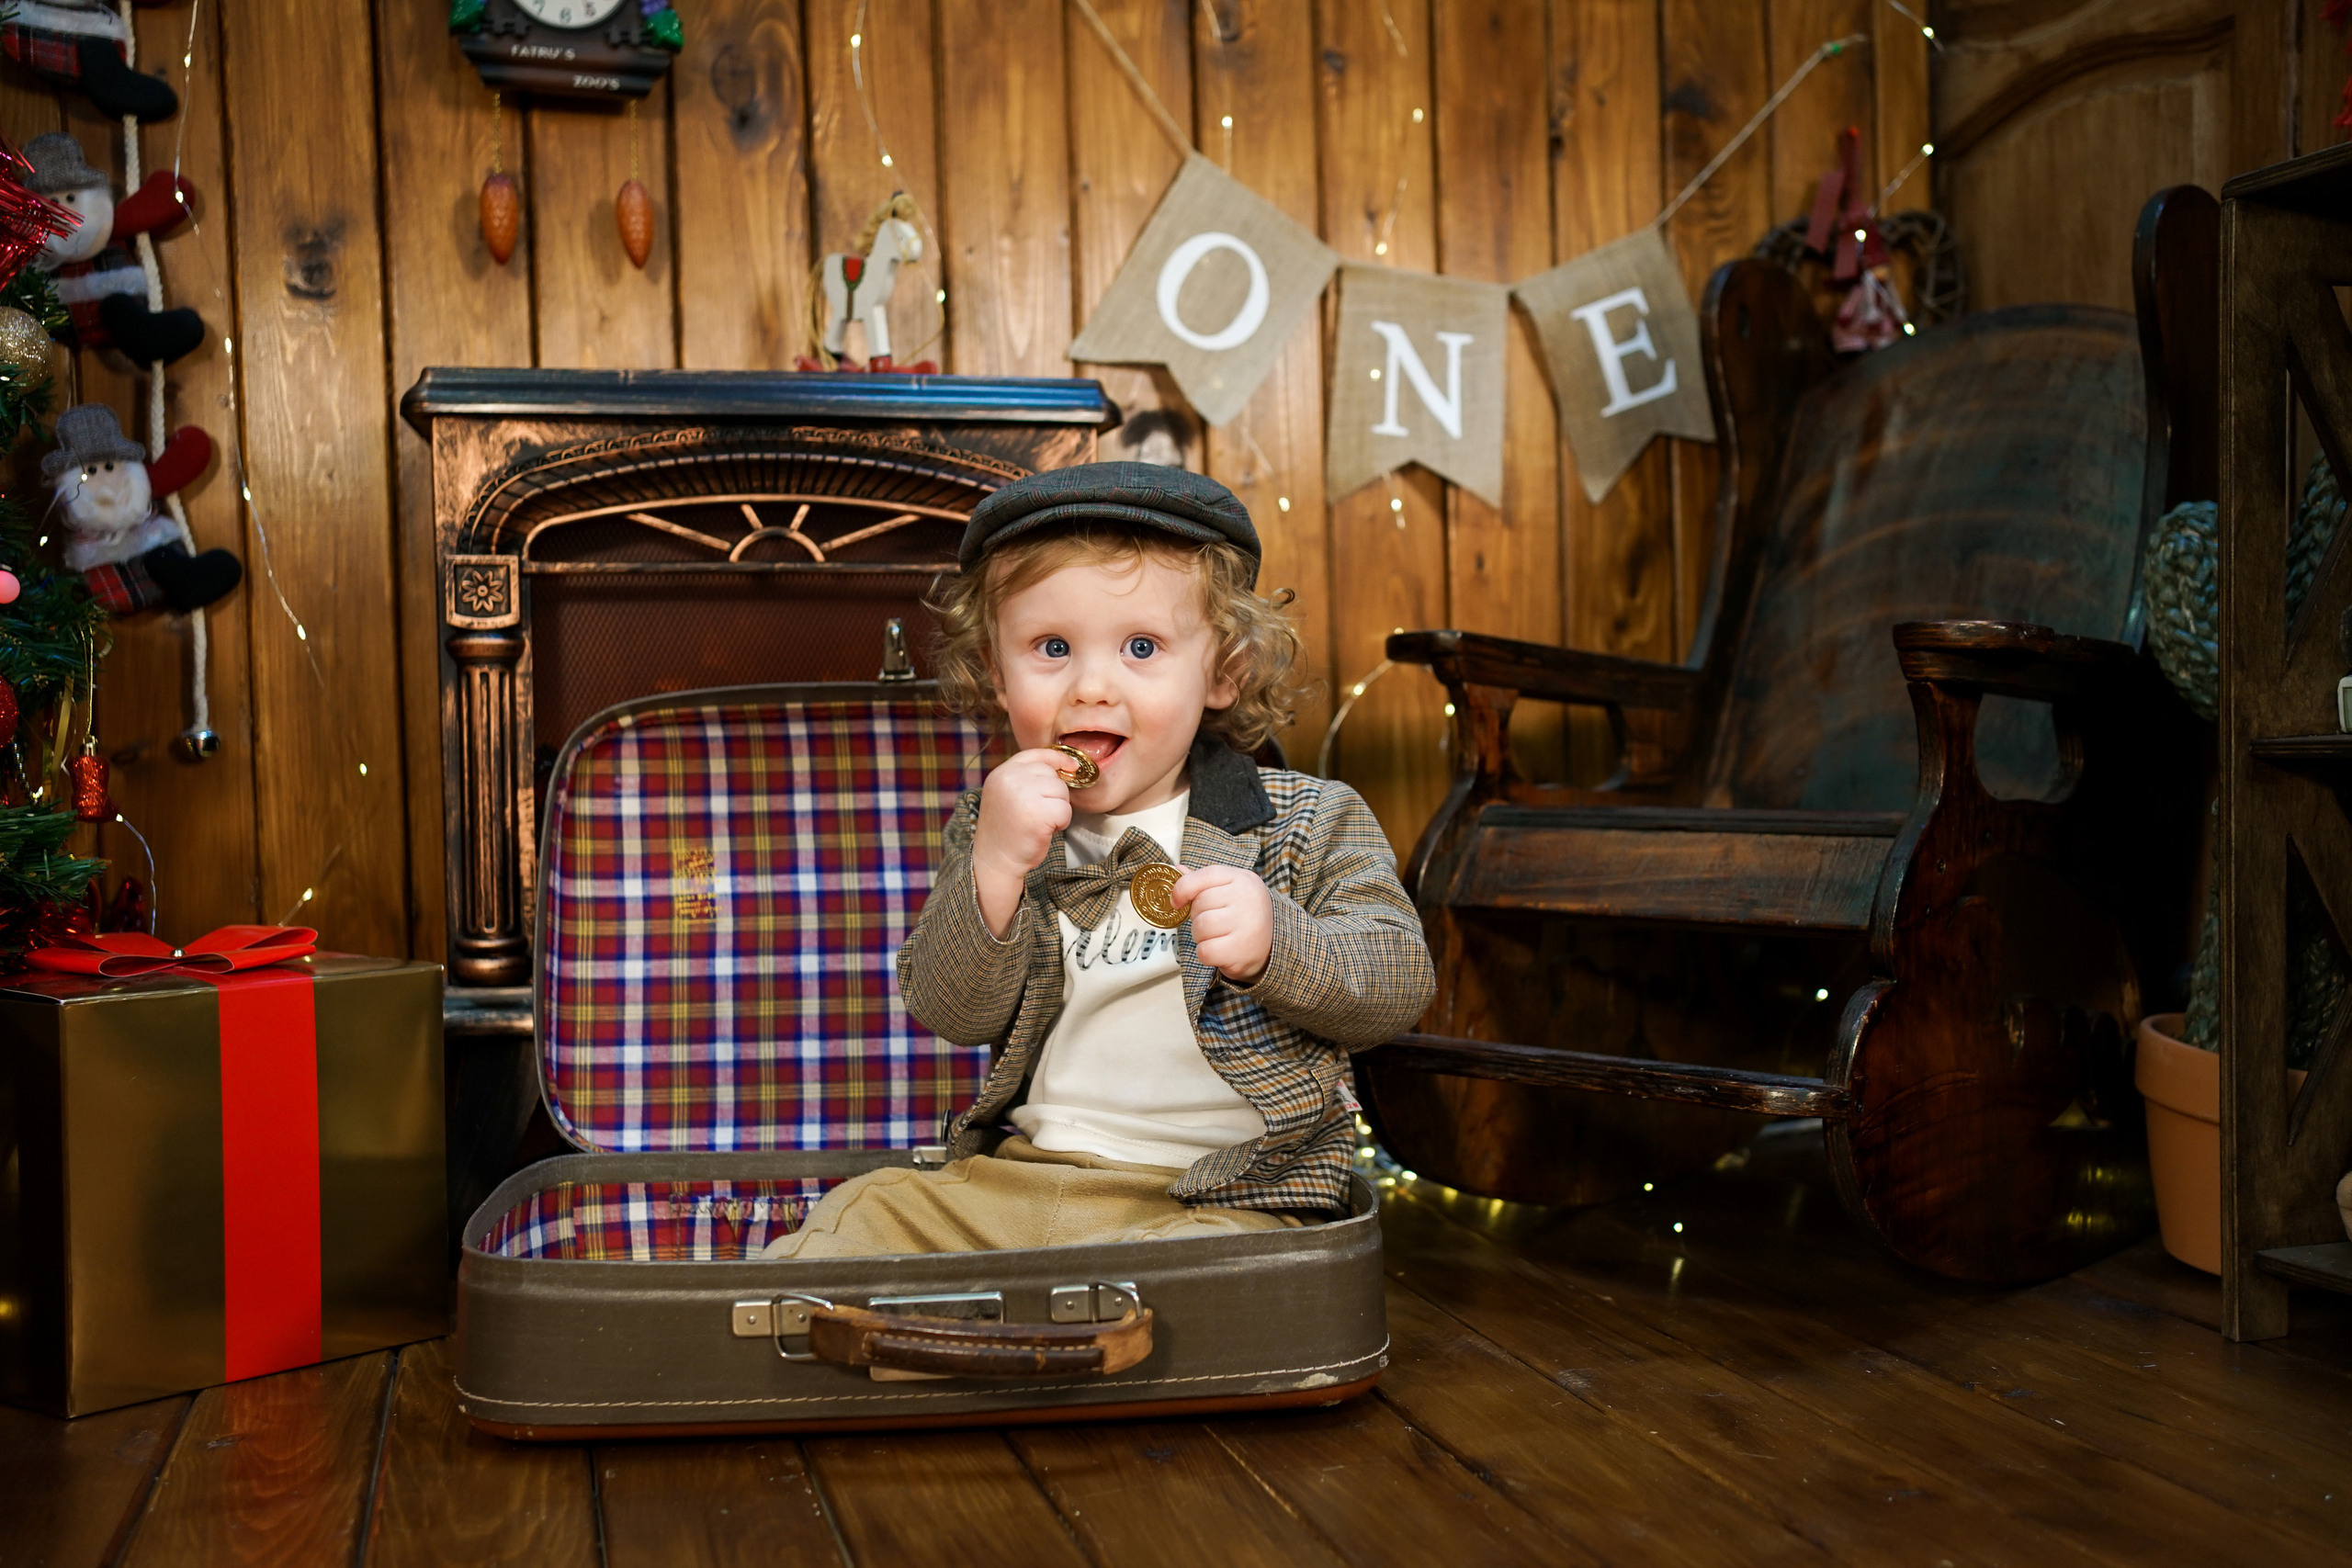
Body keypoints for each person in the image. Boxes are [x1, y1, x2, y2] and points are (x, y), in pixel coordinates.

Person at [764, 462, 1434, 1258]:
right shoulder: (995, 823)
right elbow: (952, 1009)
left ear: (1223, 670)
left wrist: (1276, 944)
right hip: (1024, 1179)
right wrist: (994, 869)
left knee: (1213, 1274)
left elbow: (1400, 984)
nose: (1090, 686)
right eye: (1051, 647)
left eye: (1141, 647)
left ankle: (1088, 1309)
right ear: (996, 671)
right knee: (862, 1215)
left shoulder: (1304, 818)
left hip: (1225, 1196)